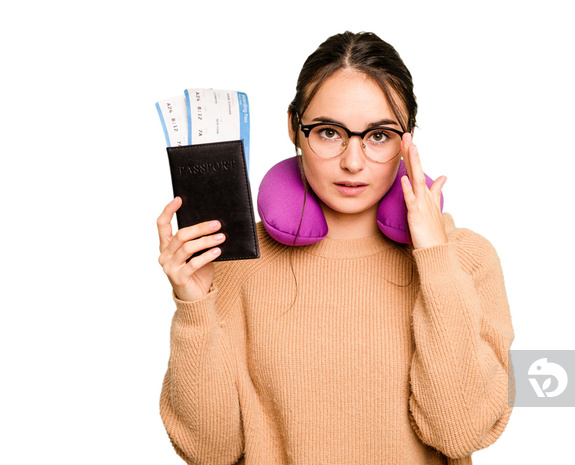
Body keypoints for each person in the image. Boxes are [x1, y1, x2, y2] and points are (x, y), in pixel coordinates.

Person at [157, 31, 515, 465]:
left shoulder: (466, 260)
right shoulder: (234, 263)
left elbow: (461, 432)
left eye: (379, 136)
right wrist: (194, 304)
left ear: (408, 139)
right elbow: (209, 452)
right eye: (329, 132)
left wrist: (436, 264)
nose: (353, 161)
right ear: (294, 127)